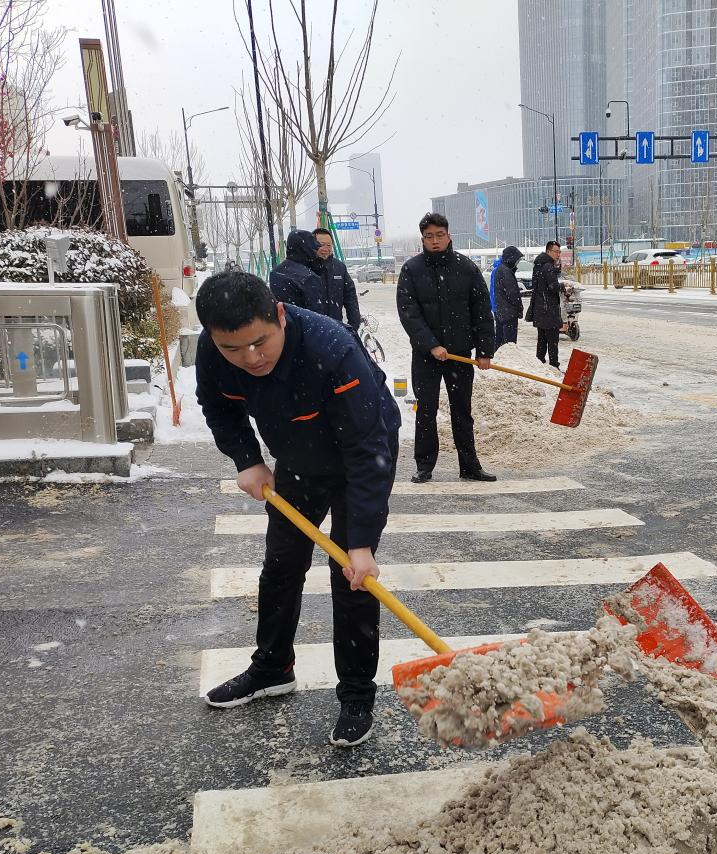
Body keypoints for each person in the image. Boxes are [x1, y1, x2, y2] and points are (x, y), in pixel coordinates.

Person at [194, 271, 400, 747]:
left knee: (351, 576)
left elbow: (368, 447)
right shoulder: (214, 351)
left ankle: (355, 696)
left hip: (358, 456)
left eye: (260, 342)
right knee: (282, 564)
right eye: (234, 349)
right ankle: (272, 668)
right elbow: (216, 405)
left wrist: (362, 542)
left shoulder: (332, 349)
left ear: (280, 316)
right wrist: (247, 460)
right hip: (297, 460)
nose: (250, 357)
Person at [397, 212, 497, 484]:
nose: (435, 241)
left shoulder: (466, 268)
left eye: (440, 235)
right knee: (425, 410)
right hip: (426, 356)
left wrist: (485, 351)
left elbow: (482, 312)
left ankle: (470, 465)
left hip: (459, 355)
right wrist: (431, 345)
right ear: (423, 240)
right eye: (429, 236)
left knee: (462, 411)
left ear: (449, 236)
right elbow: (409, 313)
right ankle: (424, 465)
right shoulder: (412, 270)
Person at [311, 227, 362, 329]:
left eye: (329, 245)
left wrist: (353, 327)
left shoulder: (339, 267)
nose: (325, 248)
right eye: (321, 245)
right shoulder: (305, 268)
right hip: (311, 331)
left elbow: (350, 298)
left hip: (336, 328)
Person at [268, 230, 324, 314]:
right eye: (314, 249)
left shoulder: (275, 273)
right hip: (301, 324)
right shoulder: (308, 277)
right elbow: (316, 316)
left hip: (280, 323)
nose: (316, 253)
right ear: (306, 250)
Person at [528, 241, 563, 368]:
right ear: (549, 252)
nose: (558, 255)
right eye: (556, 252)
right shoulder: (548, 266)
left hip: (540, 309)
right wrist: (562, 286)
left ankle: (540, 364)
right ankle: (554, 366)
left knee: (542, 340)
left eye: (559, 252)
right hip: (549, 310)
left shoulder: (538, 265)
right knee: (553, 340)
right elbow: (553, 287)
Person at [492, 245, 524, 350]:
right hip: (508, 313)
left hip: (502, 311)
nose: (517, 263)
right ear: (511, 258)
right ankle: (506, 363)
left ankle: (497, 359)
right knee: (510, 345)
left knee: (501, 340)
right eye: (516, 260)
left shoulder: (500, 270)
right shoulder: (506, 272)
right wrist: (519, 308)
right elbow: (513, 294)